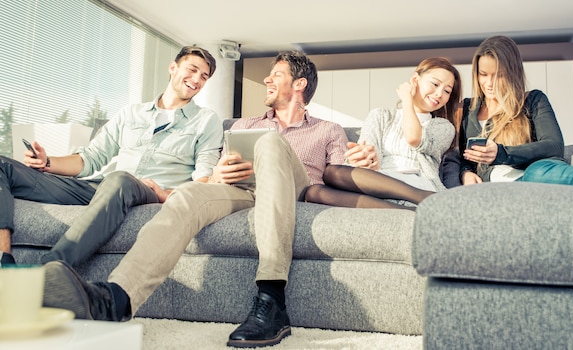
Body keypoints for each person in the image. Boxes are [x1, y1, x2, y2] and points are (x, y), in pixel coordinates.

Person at [42, 51, 354, 348]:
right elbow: (215, 171)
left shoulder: (328, 129)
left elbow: (341, 173)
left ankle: (272, 298)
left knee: (270, 143)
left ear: (299, 84)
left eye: (276, 75)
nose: (267, 81)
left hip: (294, 190)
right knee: (189, 194)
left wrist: (364, 162)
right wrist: (220, 172)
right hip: (245, 189)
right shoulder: (244, 125)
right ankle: (115, 299)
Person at [0, 46, 223, 267]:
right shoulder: (131, 113)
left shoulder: (206, 120)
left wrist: (165, 194)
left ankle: (48, 271)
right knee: (3, 165)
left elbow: (203, 181)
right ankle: (4, 260)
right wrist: (47, 162)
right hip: (105, 188)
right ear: (173, 68)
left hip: (147, 192)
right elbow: (91, 158)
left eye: (204, 76)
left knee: (120, 179)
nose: (197, 79)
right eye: (192, 69)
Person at [459, 35, 573, 187]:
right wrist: (465, 173)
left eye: (499, 75)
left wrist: (501, 153)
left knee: (535, 173)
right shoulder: (469, 108)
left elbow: (554, 145)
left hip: (537, 172)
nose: (490, 83)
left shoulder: (533, 100)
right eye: (483, 74)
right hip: (502, 184)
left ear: (512, 73)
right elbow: (462, 157)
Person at [305, 57, 462, 209]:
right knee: (318, 189)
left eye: (447, 91)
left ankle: (425, 197)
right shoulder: (380, 116)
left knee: (332, 175)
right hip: (379, 182)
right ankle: (410, 212)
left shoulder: (443, 127)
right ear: (415, 79)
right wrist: (368, 159)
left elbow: (414, 138)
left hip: (418, 183)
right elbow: (370, 157)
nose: (439, 94)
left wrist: (407, 99)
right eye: (435, 84)